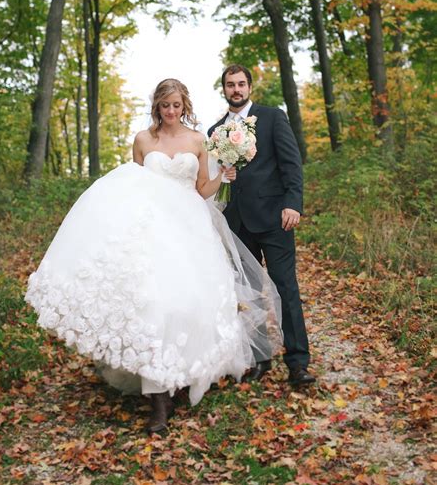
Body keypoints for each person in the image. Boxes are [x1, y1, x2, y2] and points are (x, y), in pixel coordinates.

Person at [25, 78, 282, 434]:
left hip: (190, 228)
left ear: (184, 105)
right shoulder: (143, 140)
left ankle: (182, 372)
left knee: (188, 301)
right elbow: (135, 188)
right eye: (165, 106)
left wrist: (223, 174)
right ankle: (158, 401)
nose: (171, 112)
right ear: (157, 106)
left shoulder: (198, 140)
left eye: (177, 106)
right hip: (153, 231)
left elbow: (202, 190)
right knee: (152, 302)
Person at [208, 65, 315, 386]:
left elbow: (291, 163)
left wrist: (292, 203)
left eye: (241, 84)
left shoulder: (271, 117)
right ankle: (259, 358)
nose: (236, 89)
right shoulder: (215, 131)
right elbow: (216, 176)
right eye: (230, 85)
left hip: (275, 218)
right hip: (237, 222)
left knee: (286, 289)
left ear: (249, 86)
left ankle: (298, 363)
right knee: (249, 294)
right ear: (223, 89)